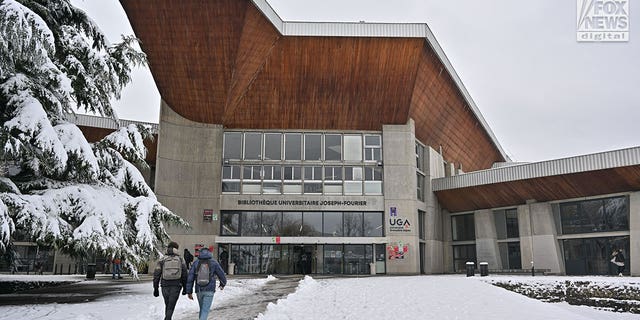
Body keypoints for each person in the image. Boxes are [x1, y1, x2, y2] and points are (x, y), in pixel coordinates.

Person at [186, 247, 227, 320]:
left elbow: (190, 278)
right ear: (210, 253)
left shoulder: (196, 262)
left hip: (199, 290)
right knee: (205, 311)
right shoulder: (214, 262)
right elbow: (221, 275)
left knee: (202, 309)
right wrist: (222, 284)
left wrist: (189, 291)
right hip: (209, 290)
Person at [153, 241, 188, 320]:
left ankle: (167, 318)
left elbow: (157, 274)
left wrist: (155, 288)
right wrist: (185, 287)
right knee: (171, 305)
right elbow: (185, 273)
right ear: (177, 249)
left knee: (168, 304)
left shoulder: (162, 259)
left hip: (165, 284)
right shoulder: (180, 259)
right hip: (176, 285)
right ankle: (168, 318)